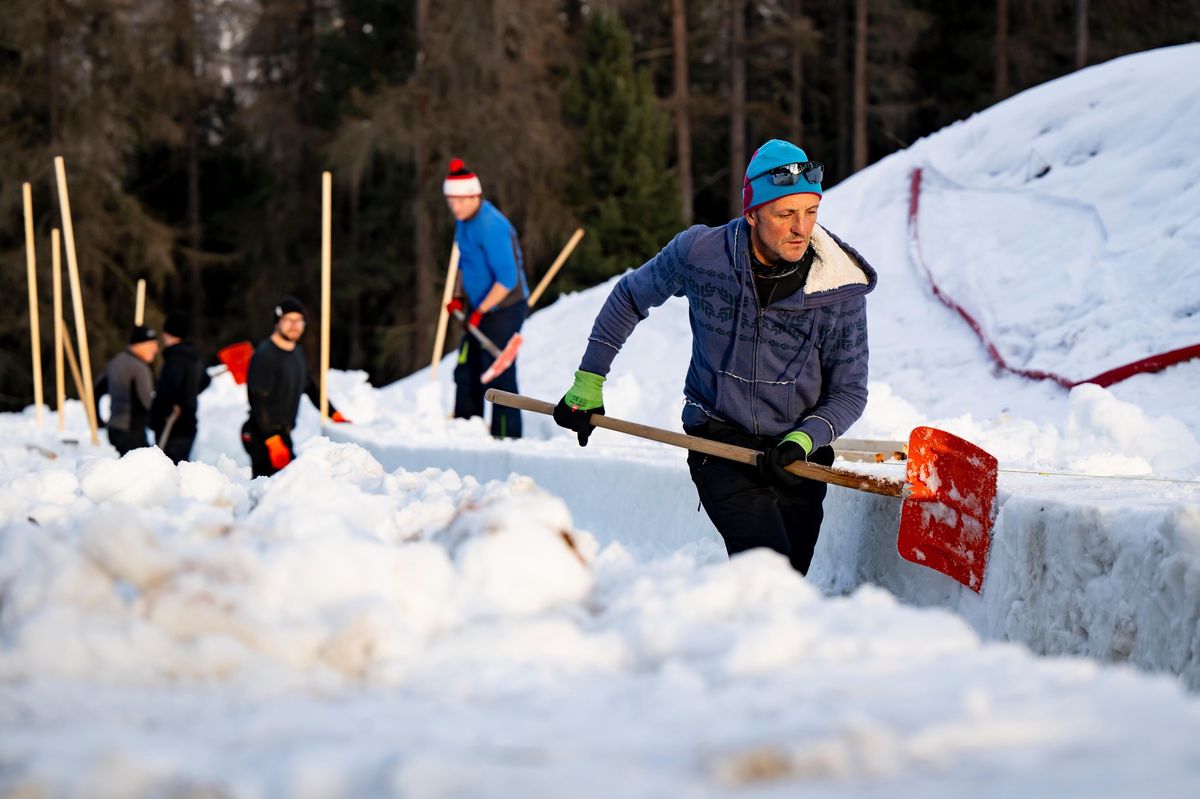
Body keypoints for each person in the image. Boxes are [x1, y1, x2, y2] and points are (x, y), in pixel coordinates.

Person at [553, 139, 877, 575]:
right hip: (718, 437)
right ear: (752, 213)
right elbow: (630, 297)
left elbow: (849, 390)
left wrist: (806, 438)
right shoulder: (702, 255)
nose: (802, 228)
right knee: (769, 570)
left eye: (811, 212)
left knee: (789, 581)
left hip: (798, 453)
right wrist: (588, 381)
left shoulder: (837, 288)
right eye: (786, 214)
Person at [443, 158, 528, 439]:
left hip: (503, 307)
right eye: (450, 201)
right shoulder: (463, 222)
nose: (455, 207)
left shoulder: (491, 226)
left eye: (460, 201)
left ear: (475, 196)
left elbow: (507, 280)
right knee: (467, 369)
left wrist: (480, 310)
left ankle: (508, 438)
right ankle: (468, 432)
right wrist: (457, 296)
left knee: (498, 374)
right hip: (478, 308)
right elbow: (463, 261)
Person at [240, 297, 346, 478]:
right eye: (289, 320)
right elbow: (257, 399)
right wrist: (271, 440)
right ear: (277, 322)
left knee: (288, 486)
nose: (294, 326)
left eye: (299, 321)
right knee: (269, 489)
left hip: (283, 435)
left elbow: (311, 389)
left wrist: (333, 413)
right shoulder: (265, 355)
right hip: (261, 435)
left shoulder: (297, 353)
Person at [149, 311, 211, 464]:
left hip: (172, 425)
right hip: (188, 423)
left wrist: (165, 411)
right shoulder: (194, 357)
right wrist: (189, 396)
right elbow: (205, 380)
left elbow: (170, 389)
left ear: (170, 333)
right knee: (179, 467)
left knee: (167, 470)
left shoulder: (176, 358)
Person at [95, 324, 159, 456]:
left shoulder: (115, 362)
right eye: (151, 345)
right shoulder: (139, 368)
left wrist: (98, 420)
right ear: (139, 344)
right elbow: (147, 403)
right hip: (132, 431)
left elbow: (95, 391)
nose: (155, 349)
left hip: (114, 428)